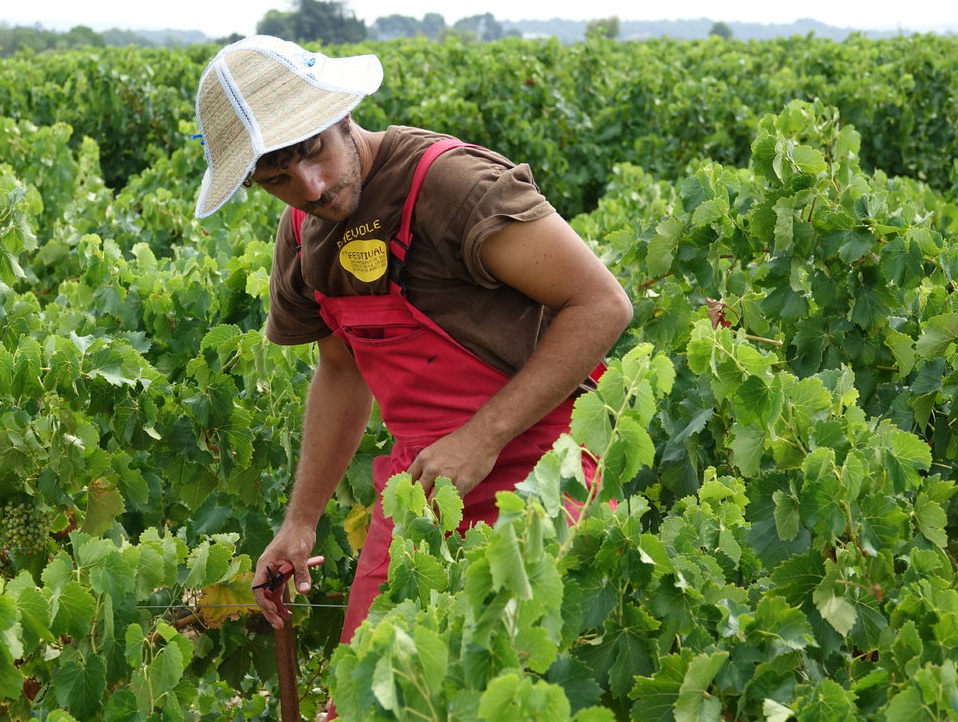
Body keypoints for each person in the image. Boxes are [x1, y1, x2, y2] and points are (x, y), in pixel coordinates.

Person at [193, 35, 633, 647]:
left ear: (340, 112)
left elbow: (602, 304)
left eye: (313, 151)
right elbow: (342, 374)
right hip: (421, 484)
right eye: (277, 177)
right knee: (370, 684)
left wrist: (483, 438)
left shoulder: (449, 184)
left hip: (544, 468)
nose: (312, 187)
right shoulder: (301, 236)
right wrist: (300, 521)